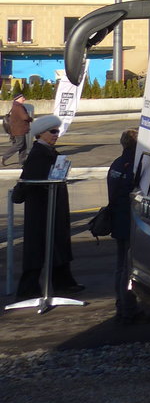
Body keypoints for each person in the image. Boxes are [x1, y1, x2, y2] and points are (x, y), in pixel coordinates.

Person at [13, 114, 83, 299]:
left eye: (57, 131)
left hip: (53, 208)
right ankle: (28, 289)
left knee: (57, 245)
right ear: (41, 134)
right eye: (52, 131)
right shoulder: (38, 154)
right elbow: (28, 182)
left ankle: (63, 283)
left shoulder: (50, 152)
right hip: (41, 210)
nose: (56, 134)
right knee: (38, 248)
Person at [107, 128, 150, 324]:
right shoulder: (136, 166)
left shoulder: (116, 163)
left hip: (117, 219)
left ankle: (121, 305)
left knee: (119, 267)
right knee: (128, 267)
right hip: (129, 221)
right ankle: (129, 309)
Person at [2, 93, 33, 165]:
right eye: (22, 98)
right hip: (19, 130)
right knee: (19, 144)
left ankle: (22, 161)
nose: (24, 99)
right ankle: (5, 156)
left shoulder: (16, 105)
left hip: (18, 129)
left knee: (23, 145)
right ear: (18, 98)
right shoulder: (19, 107)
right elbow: (24, 117)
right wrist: (30, 118)